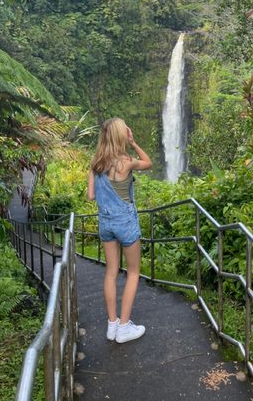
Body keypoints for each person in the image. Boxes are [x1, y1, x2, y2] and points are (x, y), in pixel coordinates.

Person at [87, 117, 152, 343]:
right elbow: (148, 163)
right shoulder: (127, 162)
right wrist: (133, 143)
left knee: (111, 272)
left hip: (106, 224)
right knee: (133, 272)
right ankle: (124, 327)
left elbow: (91, 195)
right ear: (121, 136)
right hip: (125, 223)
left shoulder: (95, 163)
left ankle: (112, 324)